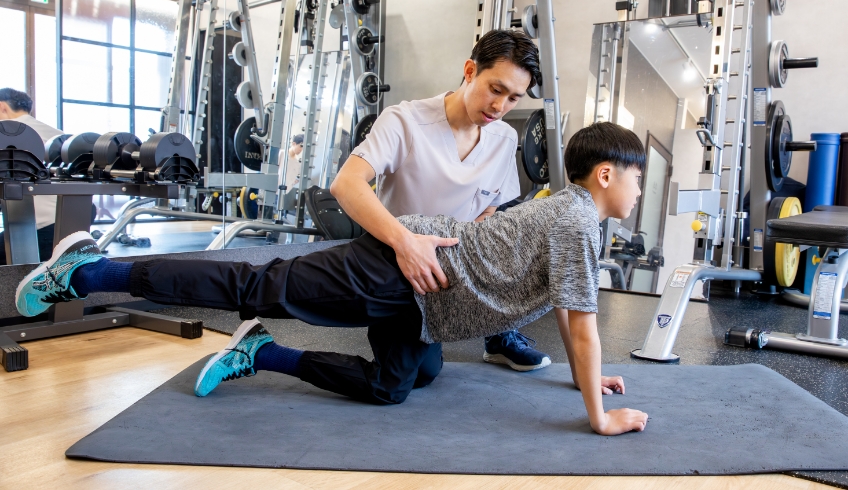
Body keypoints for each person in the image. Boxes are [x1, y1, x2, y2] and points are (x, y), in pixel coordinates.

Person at [15, 122, 649, 436]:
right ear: (604, 175)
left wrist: (582, 380)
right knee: (251, 286)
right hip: (397, 271)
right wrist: (599, 415)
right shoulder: (575, 220)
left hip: (426, 307)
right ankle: (91, 269)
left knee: (396, 386)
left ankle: (262, 351)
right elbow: (585, 327)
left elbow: (572, 313)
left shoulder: (581, 223)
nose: (638, 187)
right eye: (636, 176)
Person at [331, 29, 551, 371]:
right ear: (469, 71)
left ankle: (499, 334)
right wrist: (405, 243)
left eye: (513, 98)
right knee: (420, 375)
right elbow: (345, 184)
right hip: (398, 259)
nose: (500, 106)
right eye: (496, 89)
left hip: (453, 261)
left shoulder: (505, 138)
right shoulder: (405, 120)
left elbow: (490, 208)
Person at [0, 88, 63, 264]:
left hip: (36, 227)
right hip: (68, 218)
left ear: (2, 107)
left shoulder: (5, 135)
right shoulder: (57, 135)